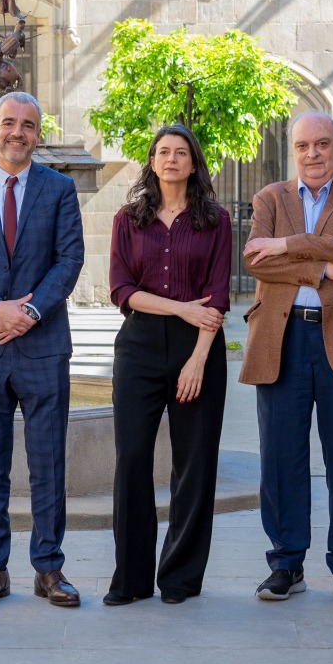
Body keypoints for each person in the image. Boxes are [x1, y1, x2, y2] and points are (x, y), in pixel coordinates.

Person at [0, 91, 85, 608]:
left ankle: (49, 569)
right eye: (8, 123)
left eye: (27, 125)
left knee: (48, 464)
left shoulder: (60, 189)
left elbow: (69, 260)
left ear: (38, 134)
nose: (17, 132)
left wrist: (28, 313)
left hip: (44, 346)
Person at [241, 112, 333, 605]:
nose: (313, 154)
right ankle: (286, 563)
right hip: (280, 341)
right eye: (303, 145)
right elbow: (255, 261)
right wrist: (324, 266)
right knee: (280, 458)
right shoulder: (269, 198)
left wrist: (289, 244)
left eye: (322, 144)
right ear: (293, 150)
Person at [103, 125, 230, 606]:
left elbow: (217, 297)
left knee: (194, 463)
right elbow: (121, 290)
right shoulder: (127, 219)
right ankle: (130, 579)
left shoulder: (215, 220)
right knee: (132, 458)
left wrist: (198, 358)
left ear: (194, 163)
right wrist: (180, 307)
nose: (172, 159)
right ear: (152, 162)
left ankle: (179, 578)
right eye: (163, 152)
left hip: (199, 345)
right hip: (139, 345)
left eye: (181, 152)